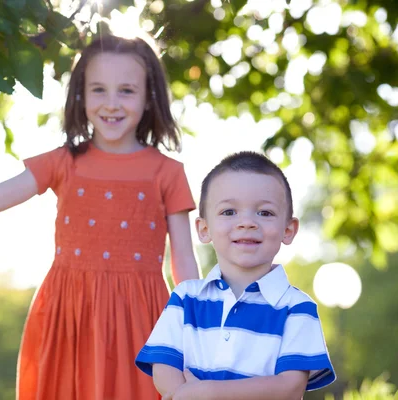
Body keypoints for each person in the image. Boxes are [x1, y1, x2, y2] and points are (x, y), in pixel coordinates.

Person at [0, 34, 200, 400]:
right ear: (80, 94)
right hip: (68, 319)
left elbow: (183, 262)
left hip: (143, 323)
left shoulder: (166, 172)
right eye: (98, 90)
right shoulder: (62, 162)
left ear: (149, 96)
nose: (111, 103)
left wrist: (194, 332)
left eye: (126, 91)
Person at [135, 151, 336, 400]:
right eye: (229, 212)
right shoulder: (186, 297)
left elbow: (290, 387)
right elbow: (164, 366)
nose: (247, 222)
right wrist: (181, 394)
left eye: (265, 213)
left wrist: (208, 393)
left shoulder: (296, 307)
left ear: (288, 229)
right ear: (204, 229)